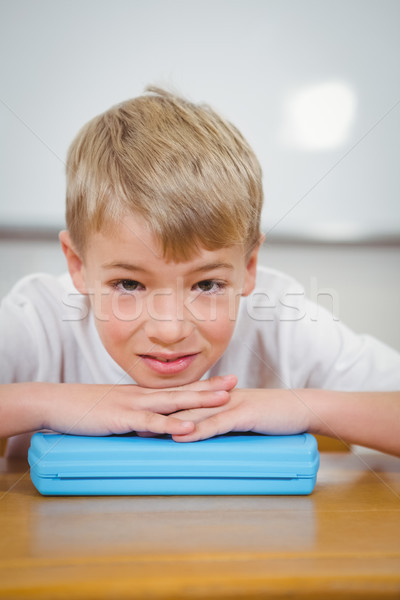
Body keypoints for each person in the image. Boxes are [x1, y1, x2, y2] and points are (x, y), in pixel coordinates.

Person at [1, 87, 399, 459]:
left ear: (248, 267)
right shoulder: (39, 320)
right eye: (129, 284)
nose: (170, 330)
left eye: (207, 284)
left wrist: (307, 406)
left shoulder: (281, 320)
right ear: (77, 265)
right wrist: (43, 401)